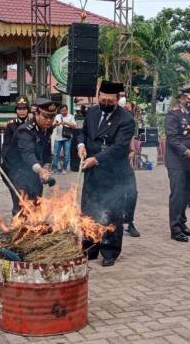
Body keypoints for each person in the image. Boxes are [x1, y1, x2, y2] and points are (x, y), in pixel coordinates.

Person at [78, 81, 136, 266]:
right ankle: (90, 248)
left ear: (117, 100)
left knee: (111, 213)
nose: (105, 103)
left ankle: (110, 251)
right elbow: (83, 133)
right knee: (89, 211)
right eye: (102, 99)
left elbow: (119, 148)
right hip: (92, 172)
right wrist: (81, 145)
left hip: (113, 174)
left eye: (109, 101)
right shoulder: (93, 112)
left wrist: (96, 159)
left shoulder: (126, 119)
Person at [165, 87, 190, 242]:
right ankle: (175, 229)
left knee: (187, 195)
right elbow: (172, 139)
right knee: (177, 195)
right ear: (181, 98)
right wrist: (186, 151)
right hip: (177, 161)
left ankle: (183, 225)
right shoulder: (173, 115)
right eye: (189, 99)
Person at [3, 98, 56, 215]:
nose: (49, 120)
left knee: (36, 202)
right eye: (45, 117)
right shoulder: (25, 130)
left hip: (34, 169)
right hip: (16, 170)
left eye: (51, 117)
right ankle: (19, 230)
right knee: (22, 206)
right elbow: (28, 154)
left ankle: (33, 230)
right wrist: (40, 170)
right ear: (36, 114)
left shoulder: (48, 128)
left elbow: (46, 149)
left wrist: (46, 166)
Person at [52, 104, 77, 173]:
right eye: (62, 111)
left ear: (67, 110)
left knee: (67, 154)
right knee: (56, 154)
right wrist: (55, 124)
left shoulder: (71, 117)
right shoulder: (57, 116)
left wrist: (66, 123)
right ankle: (55, 168)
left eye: (65, 110)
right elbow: (53, 126)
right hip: (58, 138)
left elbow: (75, 126)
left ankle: (64, 168)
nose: (64, 112)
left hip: (67, 138)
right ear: (60, 111)